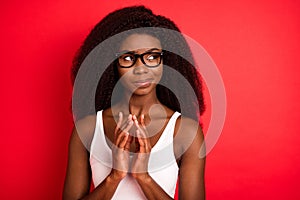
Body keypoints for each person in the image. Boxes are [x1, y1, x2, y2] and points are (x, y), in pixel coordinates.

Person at [63, 5, 206, 200]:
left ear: (166, 61)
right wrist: (114, 177)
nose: (141, 68)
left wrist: (144, 178)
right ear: (111, 64)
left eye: (153, 57)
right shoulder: (87, 129)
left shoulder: (186, 132)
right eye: (128, 58)